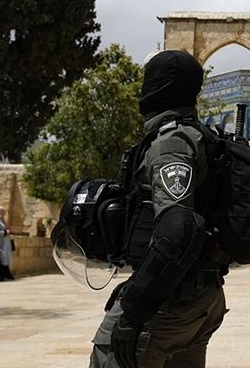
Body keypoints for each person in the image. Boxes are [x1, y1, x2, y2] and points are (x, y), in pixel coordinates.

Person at [89, 50, 229, 368]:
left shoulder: (172, 142)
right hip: (200, 296)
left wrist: (136, 306)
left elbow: (178, 230)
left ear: (160, 87)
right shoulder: (205, 138)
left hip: (169, 302)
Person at [0, 206, 15, 280]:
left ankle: (6, 274)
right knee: (3, 258)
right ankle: (5, 274)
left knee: (6, 258)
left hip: (6, 242)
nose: (4, 213)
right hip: (1, 243)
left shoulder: (3, 220)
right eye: (3, 212)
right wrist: (5, 232)